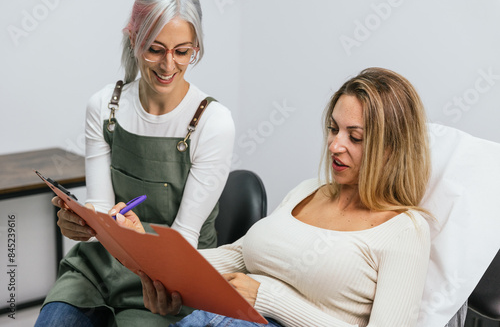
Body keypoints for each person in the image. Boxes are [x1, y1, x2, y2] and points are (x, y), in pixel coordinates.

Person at [114, 67, 432, 326]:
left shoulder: (405, 231)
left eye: (355, 137)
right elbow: (238, 257)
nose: (335, 145)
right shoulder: (307, 191)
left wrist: (270, 299)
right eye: (333, 129)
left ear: (391, 149)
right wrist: (149, 248)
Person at [35, 0, 235, 326]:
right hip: (99, 267)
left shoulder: (213, 123)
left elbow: (185, 239)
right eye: (155, 49)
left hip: (166, 282)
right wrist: (82, 225)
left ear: (195, 47)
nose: (168, 65)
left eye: (182, 51)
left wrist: (138, 240)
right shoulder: (103, 107)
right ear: (134, 40)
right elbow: (100, 210)